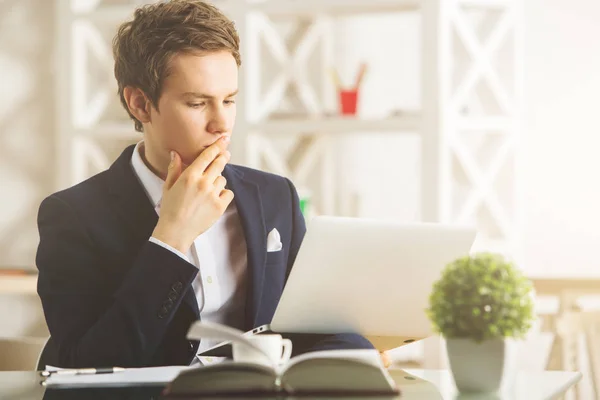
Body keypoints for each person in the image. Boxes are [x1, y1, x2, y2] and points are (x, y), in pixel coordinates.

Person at [36, 0, 381, 369]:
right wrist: (170, 238)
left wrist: (358, 352)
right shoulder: (73, 215)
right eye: (198, 103)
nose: (222, 124)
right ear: (139, 104)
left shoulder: (274, 196)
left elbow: (312, 324)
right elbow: (86, 364)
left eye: (229, 100)